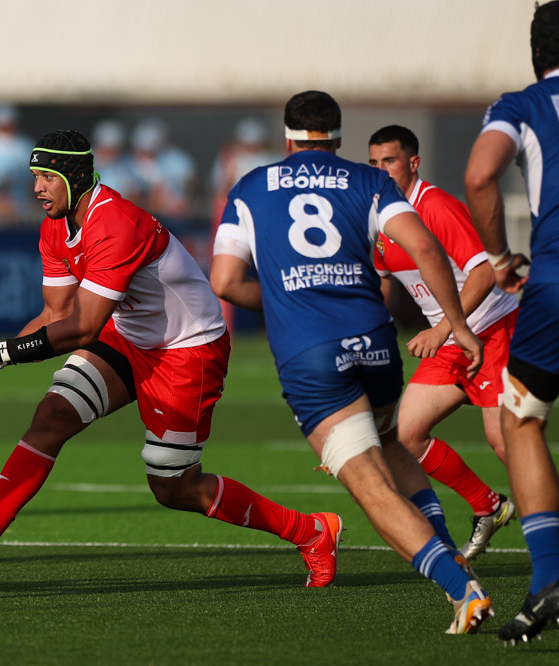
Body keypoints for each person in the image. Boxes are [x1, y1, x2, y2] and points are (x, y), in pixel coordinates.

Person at [0, 129, 345, 591]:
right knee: (52, 416)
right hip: (130, 337)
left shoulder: (116, 222)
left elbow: (81, 328)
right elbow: (54, 314)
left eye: (47, 176)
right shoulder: (55, 225)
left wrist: (0, 355)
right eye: (34, 176)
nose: (37, 187)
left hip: (188, 350)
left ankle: (312, 531)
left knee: (174, 486)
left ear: (74, 176)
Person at [209, 91, 492, 634]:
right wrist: (456, 327)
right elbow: (428, 249)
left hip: (310, 353)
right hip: (376, 340)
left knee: (370, 486)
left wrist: (291, 299)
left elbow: (224, 281)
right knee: (390, 443)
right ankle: (451, 552)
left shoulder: (250, 187)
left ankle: (463, 590)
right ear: (338, 139)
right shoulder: (371, 182)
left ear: (287, 138)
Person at [368, 125, 517, 561]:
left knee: (505, 441)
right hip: (451, 335)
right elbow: (382, 283)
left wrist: (442, 329)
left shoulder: (433, 206)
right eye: (374, 163)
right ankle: (488, 506)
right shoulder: (380, 214)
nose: (380, 170)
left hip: (491, 327)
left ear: (413, 163)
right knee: (406, 434)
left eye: (389, 161)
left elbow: (485, 273)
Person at [463, 1, 559, 643]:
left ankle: (550, 580)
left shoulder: (522, 105)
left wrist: (498, 256)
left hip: (553, 284)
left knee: (521, 418)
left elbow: (479, 174)